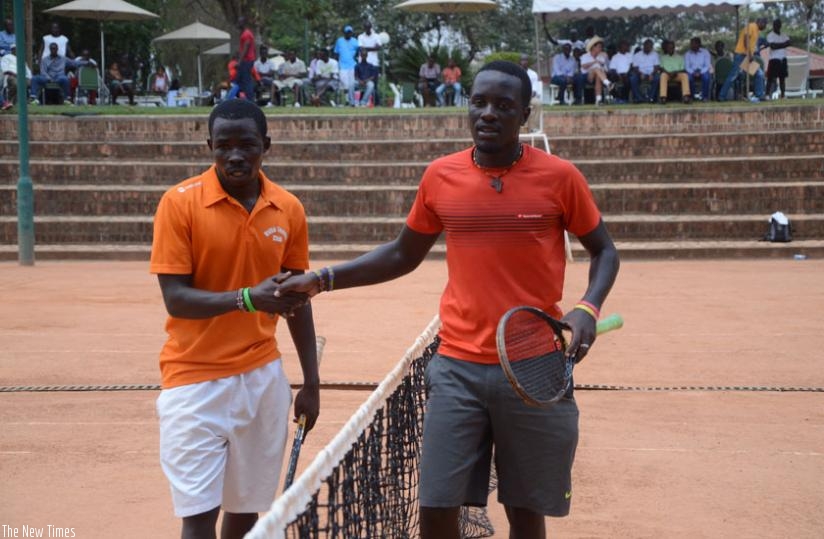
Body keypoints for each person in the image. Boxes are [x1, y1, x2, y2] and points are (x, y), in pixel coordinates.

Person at [273, 60, 620, 539]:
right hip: (456, 367)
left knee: (525, 511)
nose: (488, 113)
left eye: (503, 105)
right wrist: (323, 279)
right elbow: (401, 254)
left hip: (535, 366)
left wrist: (588, 308)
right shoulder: (440, 177)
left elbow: (604, 250)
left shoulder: (560, 178)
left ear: (525, 113)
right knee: (436, 506)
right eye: (478, 102)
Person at [150, 99, 320, 539]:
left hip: (264, 381)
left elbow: (297, 299)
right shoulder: (179, 204)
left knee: (247, 514)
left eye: (246, 144)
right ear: (209, 146)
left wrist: (311, 383)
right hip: (193, 383)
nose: (235, 155)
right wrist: (247, 299)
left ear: (266, 145)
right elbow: (176, 299)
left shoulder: (288, 208)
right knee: (199, 518)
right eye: (223, 145)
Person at [718, 17, 767, 102]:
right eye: (765, 24)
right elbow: (746, 39)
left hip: (747, 56)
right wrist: (749, 54)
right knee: (733, 76)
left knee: (759, 73)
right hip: (741, 55)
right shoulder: (751, 26)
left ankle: (760, 95)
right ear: (760, 22)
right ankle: (721, 96)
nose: (765, 26)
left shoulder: (757, 30)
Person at [579, 36, 611, 105]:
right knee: (596, 69)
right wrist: (595, 62)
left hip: (599, 75)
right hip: (587, 76)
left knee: (598, 76)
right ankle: (608, 83)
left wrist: (605, 59)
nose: (601, 49)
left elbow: (605, 70)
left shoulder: (602, 56)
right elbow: (583, 66)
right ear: (593, 47)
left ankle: (598, 99)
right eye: (599, 47)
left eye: (601, 47)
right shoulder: (585, 56)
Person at [658, 39, 691, 104]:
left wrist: (676, 72)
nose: (670, 49)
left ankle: (686, 96)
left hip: (677, 74)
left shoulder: (680, 57)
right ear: (666, 48)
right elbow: (661, 68)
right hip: (667, 74)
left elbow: (683, 69)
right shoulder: (663, 57)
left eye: (671, 47)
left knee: (685, 75)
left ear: (674, 48)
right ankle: (663, 97)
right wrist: (668, 73)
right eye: (668, 48)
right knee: (663, 75)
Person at [333, 25, 359, 105]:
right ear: (344, 33)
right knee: (344, 84)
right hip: (342, 66)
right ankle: (347, 100)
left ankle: (351, 101)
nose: (349, 34)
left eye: (350, 33)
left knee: (351, 84)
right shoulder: (339, 41)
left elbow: (359, 52)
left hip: (352, 65)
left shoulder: (355, 41)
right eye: (347, 32)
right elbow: (336, 53)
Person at [766, 19, 791, 99]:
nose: (777, 26)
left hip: (782, 58)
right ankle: (767, 95)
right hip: (774, 59)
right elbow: (773, 46)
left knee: (782, 78)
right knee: (770, 78)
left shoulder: (783, 35)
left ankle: (783, 95)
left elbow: (789, 43)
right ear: (773, 25)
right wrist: (783, 44)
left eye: (779, 24)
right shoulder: (770, 35)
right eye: (776, 24)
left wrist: (778, 45)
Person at [1, 43, 32, 109]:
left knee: (29, 83)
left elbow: (28, 72)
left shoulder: (21, 59)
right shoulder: (6, 57)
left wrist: (28, 77)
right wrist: (17, 75)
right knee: (16, 83)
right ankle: (9, 99)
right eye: (15, 49)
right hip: (11, 76)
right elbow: (5, 70)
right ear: (12, 50)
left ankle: (26, 101)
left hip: (23, 77)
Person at [629, 38, 660, 103]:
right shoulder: (637, 55)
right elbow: (635, 67)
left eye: (650, 47)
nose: (648, 48)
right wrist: (640, 73)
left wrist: (652, 74)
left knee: (657, 78)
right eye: (646, 46)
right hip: (640, 73)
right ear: (644, 46)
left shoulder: (655, 54)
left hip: (651, 73)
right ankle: (639, 98)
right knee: (632, 79)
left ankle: (651, 98)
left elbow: (656, 67)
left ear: (651, 47)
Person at [519, 53, 543, 131]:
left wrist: (527, 98)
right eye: (523, 60)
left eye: (526, 60)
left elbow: (534, 90)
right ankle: (517, 127)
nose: (524, 62)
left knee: (537, 103)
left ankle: (534, 128)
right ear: (520, 61)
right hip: (518, 97)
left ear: (528, 62)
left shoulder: (533, 74)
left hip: (530, 97)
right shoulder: (516, 73)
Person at [235, 16, 256, 102]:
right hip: (245, 60)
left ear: (244, 23)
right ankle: (241, 98)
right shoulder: (244, 33)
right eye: (238, 22)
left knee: (246, 80)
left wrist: (239, 61)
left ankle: (251, 100)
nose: (239, 24)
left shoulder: (247, 34)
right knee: (239, 80)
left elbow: (246, 47)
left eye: (240, 22)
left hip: (247, 60)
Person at [684, 37, 712, 101]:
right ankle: (691, 97)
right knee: (688, 78)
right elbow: (687, 67)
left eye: (693, 44)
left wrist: (700, 72)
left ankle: (705, 97)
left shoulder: (705, 52)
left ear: (698, 44)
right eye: (691, 44)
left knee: (706, 78)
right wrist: (693, 73)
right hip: (691, 71)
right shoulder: (687, 54)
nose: (691, 46)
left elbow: (707, 65)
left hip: (702, 71)